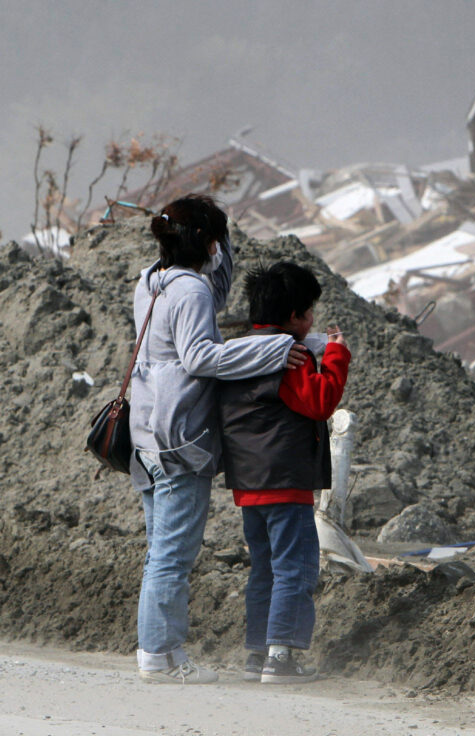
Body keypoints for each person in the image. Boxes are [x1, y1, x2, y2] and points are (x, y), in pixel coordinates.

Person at [130, 195, 309, 684]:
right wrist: (274, 349)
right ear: (208, 243)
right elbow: (199, 358)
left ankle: (159, 652)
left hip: (146, 428)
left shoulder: (152, 282)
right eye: (218, 241)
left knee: (158, 548)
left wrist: (219, 246)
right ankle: (160, 654)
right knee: (174, 553)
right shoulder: (190, 291)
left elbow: (211, 296)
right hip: (178, 432)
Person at [218, 261, 350, 684]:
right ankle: (282, 658)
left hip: (248, 481)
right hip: (284, 479)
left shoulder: (238, 351)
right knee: (296, 566)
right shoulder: (287, 355)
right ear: (294, 316)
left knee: (264, 568)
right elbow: (319, 402)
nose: (312, 319)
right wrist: (335, 356)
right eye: (308, 312)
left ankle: (258, 653)